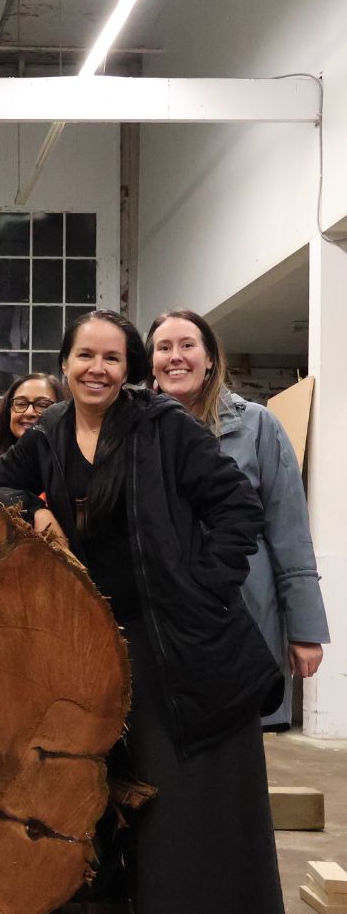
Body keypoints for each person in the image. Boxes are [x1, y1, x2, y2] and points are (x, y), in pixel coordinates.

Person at [0, 309, 289, 914]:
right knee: (126, 789)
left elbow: (237, 507)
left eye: (112, 358)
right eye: (85, 356)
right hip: (99, 634)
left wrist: (204, 587)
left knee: (181, 791)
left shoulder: (163, 425)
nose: (97, 369)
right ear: (65, 364)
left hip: (177, 637)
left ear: (130, 369)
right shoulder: (52, 430)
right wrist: (35, 508)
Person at [145, 309, 329, 732]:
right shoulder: (137, 429)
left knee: (242, 736)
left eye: (187, 345)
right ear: (151, 362)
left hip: (245, 606)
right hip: (165, 610)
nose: (175, 357)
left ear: (210, 358)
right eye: (163, 347)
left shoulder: (256, 425)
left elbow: (289, 530)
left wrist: (304, 630)